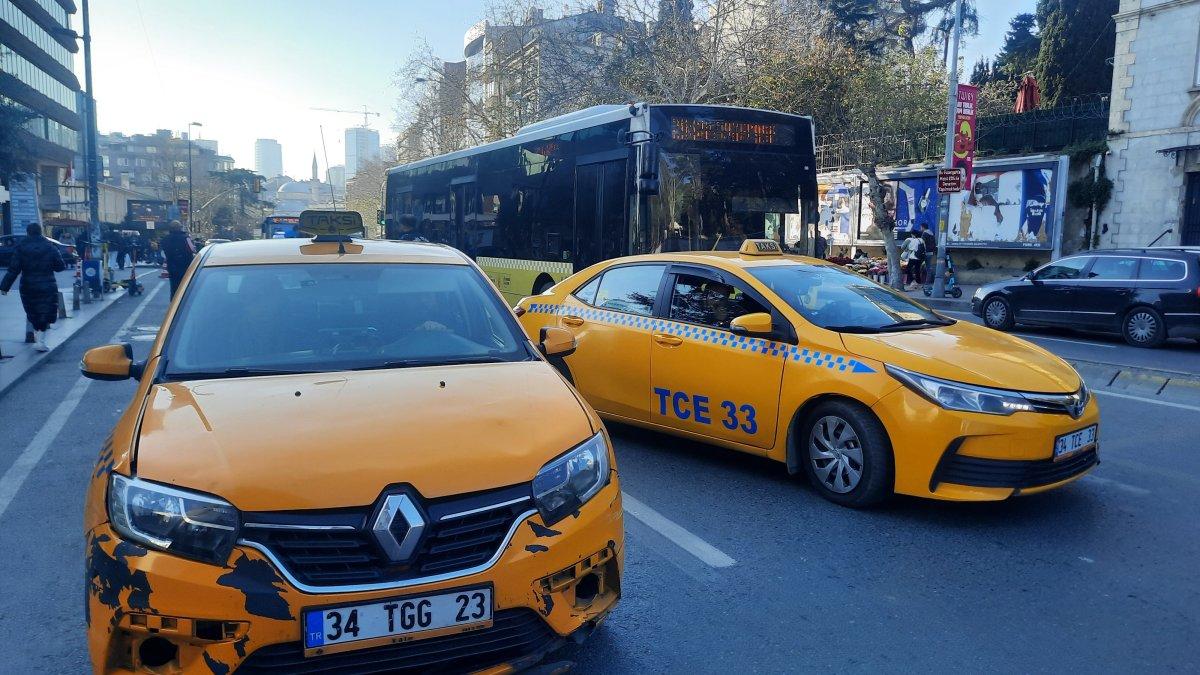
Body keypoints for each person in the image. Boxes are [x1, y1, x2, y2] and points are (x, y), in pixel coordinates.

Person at [1, 223, 67, 352]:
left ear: (28, 233)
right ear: (40, 231)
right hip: (47, 283)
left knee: (33, 311)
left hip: (28, 284)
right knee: (45, 311)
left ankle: (38, 338)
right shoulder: (50, 247)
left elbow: (13, 270)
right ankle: (41, 340)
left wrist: (4, 287)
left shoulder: (21, 248)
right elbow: (60, 267)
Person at [161, 221, 196, 297]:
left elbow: (163, 252)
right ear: (180, 228)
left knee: (174, 287)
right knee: (186, 286)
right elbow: (192, 249)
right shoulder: (185, 238)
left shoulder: (165, 239)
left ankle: (174, 303)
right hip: (186, 266)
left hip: (172, 266)